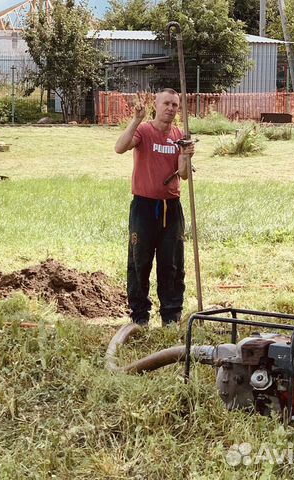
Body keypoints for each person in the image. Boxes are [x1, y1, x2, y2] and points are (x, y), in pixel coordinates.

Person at [115, 88, 195, 327]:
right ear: (156, 105)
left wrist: (186, 155)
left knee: (171, 262)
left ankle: (171, 315)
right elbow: (119, 148)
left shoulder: (180, 135)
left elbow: (183, 175)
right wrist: (136, 119)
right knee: (140, 261)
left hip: (171, 208)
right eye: (166, 104)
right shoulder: (144, 130)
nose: (171, 108)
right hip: (144, 207)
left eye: (175, 105)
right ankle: (140, 316)